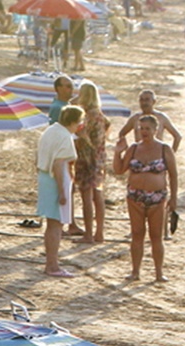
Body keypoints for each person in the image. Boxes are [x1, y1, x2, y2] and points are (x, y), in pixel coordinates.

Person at [114, 115, 177, 282]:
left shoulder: (165, 149)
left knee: (156, 236)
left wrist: (174, 198)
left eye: (147, 129)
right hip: (135, 196)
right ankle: (135, 272)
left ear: (156, 130)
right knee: (137, 234)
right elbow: (119, 169)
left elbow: (173, 175)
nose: (144, 132)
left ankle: (158, 273)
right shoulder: (134, 148)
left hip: (158, 197)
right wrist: (117, 152)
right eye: (141, 128)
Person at [36, 104, 82, 278]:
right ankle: (52, 265)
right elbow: (58, 164)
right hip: (55, 179)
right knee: (56, 224)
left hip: (45, 176)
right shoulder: (64, 136)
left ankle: (51, 263)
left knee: (52, 224)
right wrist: (63, 192)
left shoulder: (50, 130)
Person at [72, 82, 110, 245]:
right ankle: (99, 232)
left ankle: (88, 234)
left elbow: (82, 134)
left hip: (87, 158)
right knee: (98, 194)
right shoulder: (100, 114)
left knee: (86, 195)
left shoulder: (88, 115)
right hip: (99, 157)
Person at [45, 75, 83, 236]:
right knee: (63, 187)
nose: (70, 89)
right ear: (58, 88)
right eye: (67, 86)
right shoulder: (57, 108)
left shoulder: (64, 105)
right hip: (61, 154)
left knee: (68, 187)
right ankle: (67, 223)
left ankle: (70, 222)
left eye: (71, 86)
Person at [117, 90, 183, 150]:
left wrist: (170, 155)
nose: (144, 103)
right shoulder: (135, 118)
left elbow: (177, 136)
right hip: (139, 155)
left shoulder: (161, 118)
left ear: (154, 102)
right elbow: (122, 134)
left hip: (157, 156)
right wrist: (129, 151)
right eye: (141, 100)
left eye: (147, 100)